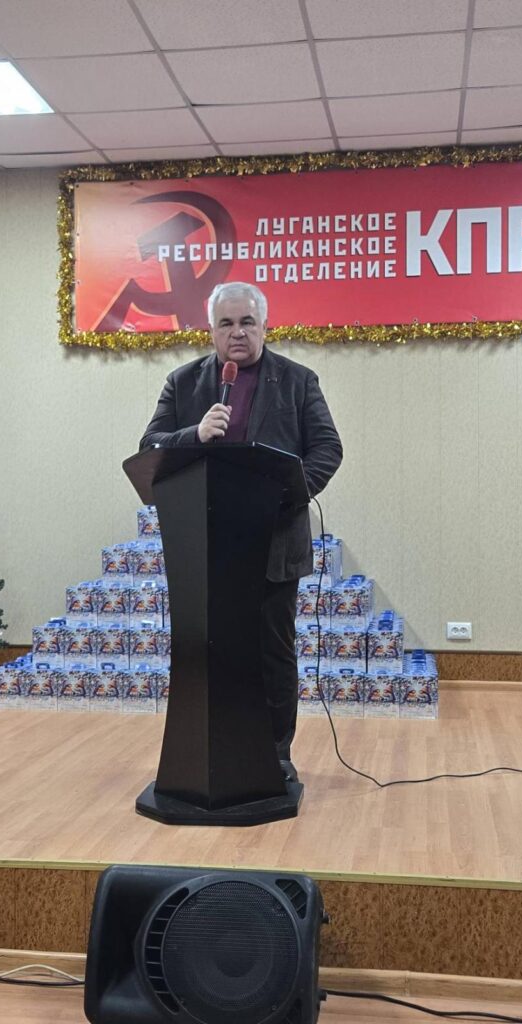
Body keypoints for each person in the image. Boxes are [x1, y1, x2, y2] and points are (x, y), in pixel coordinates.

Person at [139, 281, 343, 784]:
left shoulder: (297, 381)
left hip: (273, 543)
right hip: (205, 548)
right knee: (209, 654)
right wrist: (193, 434)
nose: (237, 333)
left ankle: (275, 754)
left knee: (273, 653)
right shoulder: (183, 384)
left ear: (264, 327)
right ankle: (211, 755)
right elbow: (150, 447)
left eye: (247, 322)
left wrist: (286, 495)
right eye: (226, 323)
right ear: (211, 331)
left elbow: (327, 449)